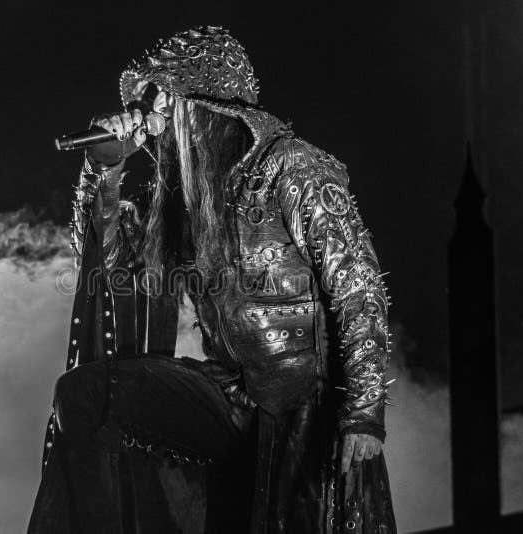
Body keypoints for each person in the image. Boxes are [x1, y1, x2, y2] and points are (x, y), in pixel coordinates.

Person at [29, 25, 397, 534]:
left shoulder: (290, 166)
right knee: (87, 395)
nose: (146, 116)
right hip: (232, 396)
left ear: (198, 100)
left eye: (153, 99)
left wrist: (363, 412)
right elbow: (111, 271)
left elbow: (358, 288)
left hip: (304, 405)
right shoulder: (186, 202)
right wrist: (106, 172)